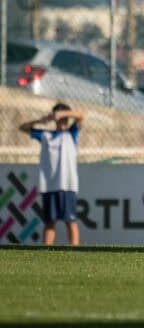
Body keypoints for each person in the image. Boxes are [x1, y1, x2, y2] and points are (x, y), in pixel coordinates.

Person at [19, 103, 84, 245]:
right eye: (59, 117)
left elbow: (80, 116)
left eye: (64, 117)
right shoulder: (46, 135)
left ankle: (76, 252)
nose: (62, 120)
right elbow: (23, 128)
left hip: (68, 185)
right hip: (49, 185)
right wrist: (40, 121)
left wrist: (65, 113)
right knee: (49, 222)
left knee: (70, 221)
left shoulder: (71, 133)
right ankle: (46, 252)